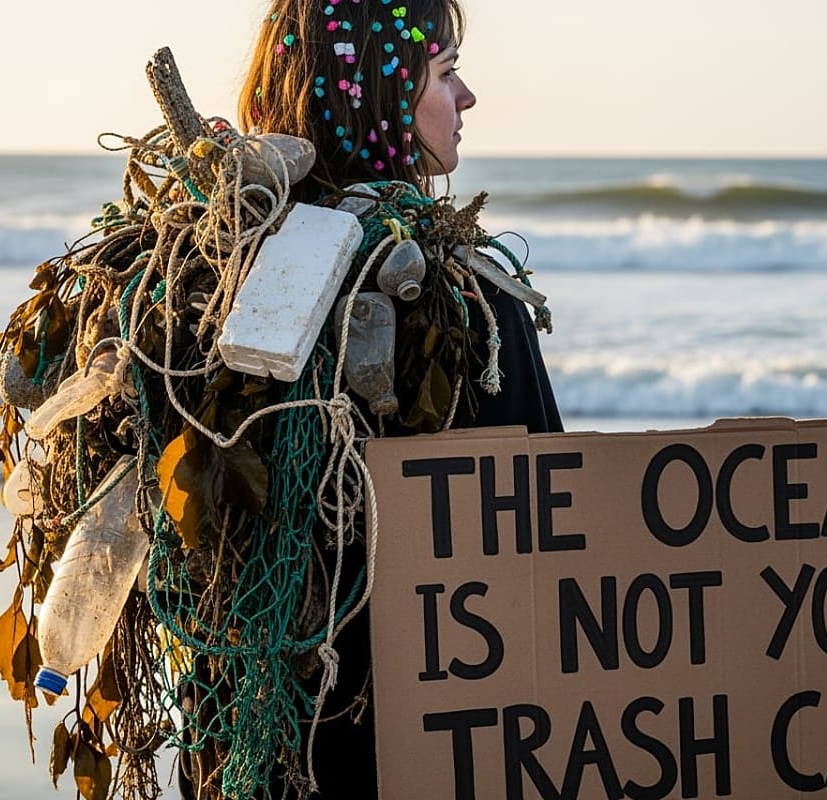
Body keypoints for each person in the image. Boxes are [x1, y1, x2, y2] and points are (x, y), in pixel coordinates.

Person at [180, 1, 561, 797]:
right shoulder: (466, 304)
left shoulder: (199, 284)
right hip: (420, 748)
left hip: (245, 738)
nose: (467, 99)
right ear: (380, 99)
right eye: (447, 73)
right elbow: (539, 535)